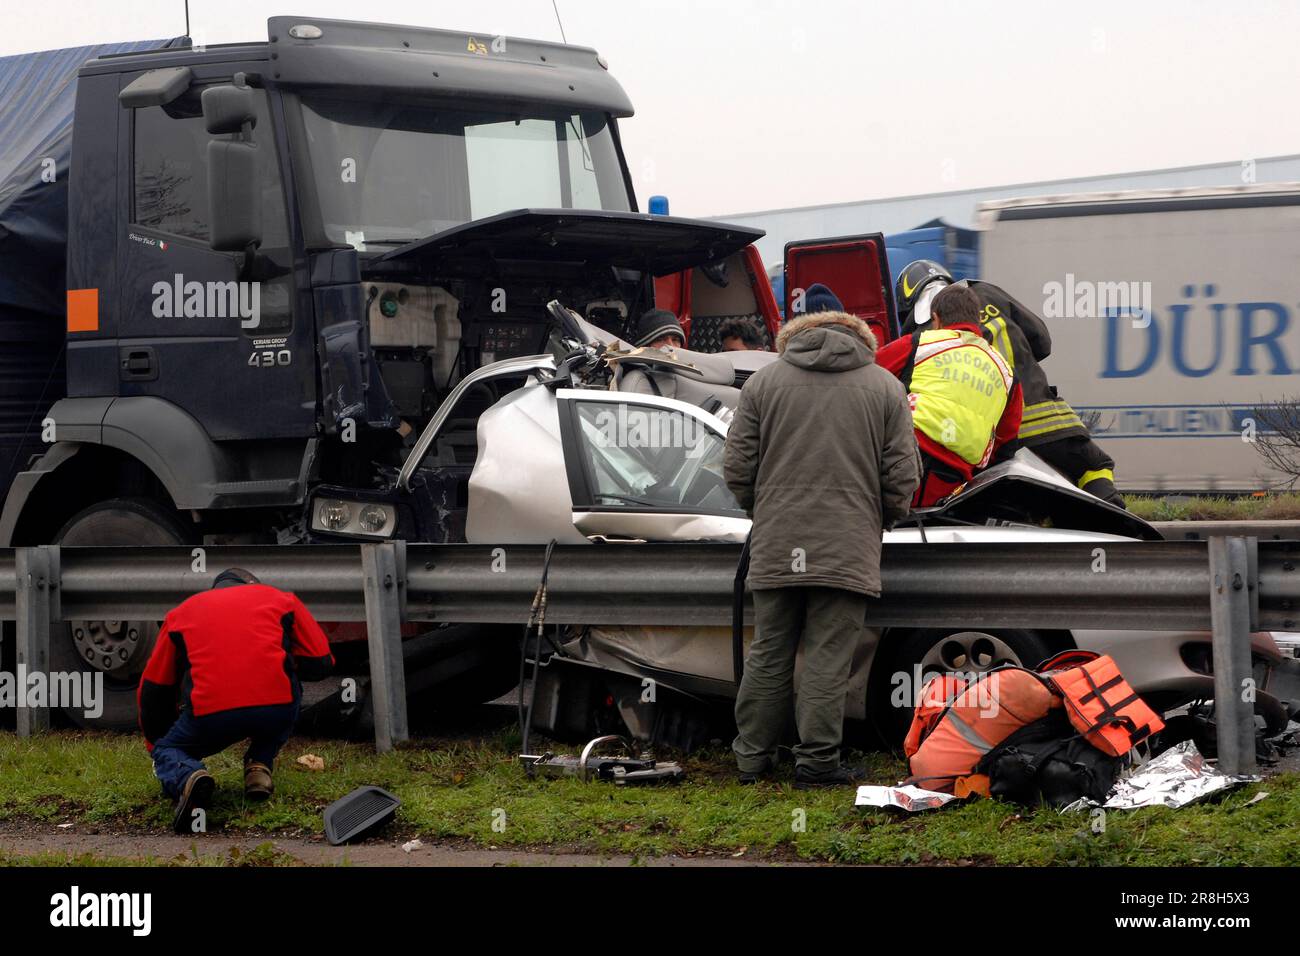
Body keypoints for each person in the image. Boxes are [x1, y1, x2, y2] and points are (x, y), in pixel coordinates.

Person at [724, 292, 920, 788]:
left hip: (776, 540)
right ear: (860, 336)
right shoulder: (883, 386)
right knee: (828, 658)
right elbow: (901, 474)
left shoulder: (763, 382)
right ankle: (815, 764)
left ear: (797, 335)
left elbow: (737, 467)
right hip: (847, 542)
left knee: (770, 651)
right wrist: (883, 519)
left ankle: (752, 760)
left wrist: (762, 509)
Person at [895, 259, 1123, 507]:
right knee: (1095, 466)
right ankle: (1110, 517)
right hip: (1050, 422)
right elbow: (1042, 341)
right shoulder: (986, 292)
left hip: (991, 438)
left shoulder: (923, 336)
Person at [138, 568, 334, 833]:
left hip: (210, 715)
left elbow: (154, 689)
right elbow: (321, 661)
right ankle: (259, 765)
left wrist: (158, 745)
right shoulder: (282, 599)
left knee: (168, 750)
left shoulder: (180, 613)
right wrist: (283, 660)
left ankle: (187, 774)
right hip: (276, 709)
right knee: (289, 687)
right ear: (253, 584)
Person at [876, 284, 1023, 507]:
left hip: (895, 470)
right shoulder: (1007, 375)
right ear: (977, 321)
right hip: (950, 490)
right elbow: (1005, 447)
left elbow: (864, 377)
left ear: (936, 319)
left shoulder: (919, 344)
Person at [618, 308, 688, 397]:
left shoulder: (693, 377)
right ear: (645, 346)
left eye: (675, 340)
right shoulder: (637, 382)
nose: (670, 346)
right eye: (660, 339)